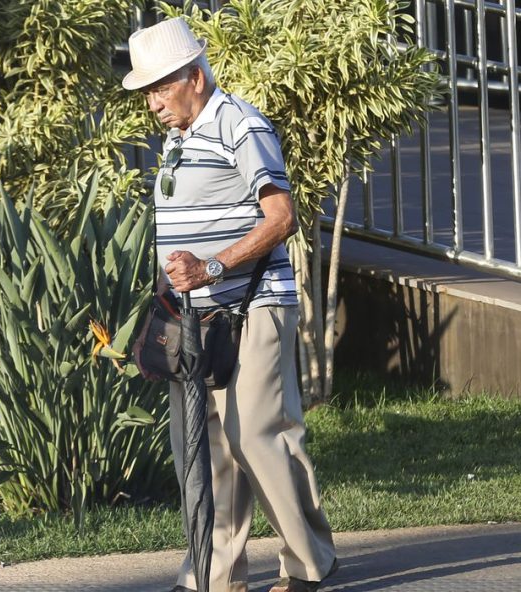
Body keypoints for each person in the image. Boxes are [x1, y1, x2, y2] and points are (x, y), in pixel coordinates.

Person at [124, 18, 337, 592]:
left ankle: (309, 564)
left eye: (161, 88)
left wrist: (212, 267)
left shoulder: (241, 124)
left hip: (254, 302)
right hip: (193, 315)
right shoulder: (177, 136)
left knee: (258, 434)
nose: (152, 103)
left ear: (194, 76)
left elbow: (282, 217)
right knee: (201, 444)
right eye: (147, 91)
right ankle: (214, 576)